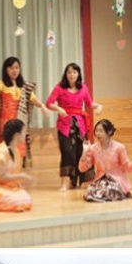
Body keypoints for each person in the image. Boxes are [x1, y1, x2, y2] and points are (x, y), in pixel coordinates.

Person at [45, 63, 103, 191]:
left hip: (80, 125)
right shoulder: (60, 88)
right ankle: (65, 182)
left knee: (82, 152)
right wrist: (59, 108)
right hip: (65, 124)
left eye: (75, 72)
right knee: (67, 152)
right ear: (66, 74)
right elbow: (49, 103)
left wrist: (99, 106)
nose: (72, 75)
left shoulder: (83, 88)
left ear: (78, 74)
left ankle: (84, 182)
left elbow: (89, 103)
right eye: (69, 72)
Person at [0, 56, 51, 163]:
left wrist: (42, 106)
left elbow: (33, 99)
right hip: (6, 122)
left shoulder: (23, 86)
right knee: (6, 151)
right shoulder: (0, 84)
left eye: (16, 68)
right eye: (11, 68)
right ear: (6, 70)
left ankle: (16, 175)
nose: (14, 70)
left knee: (19, 152)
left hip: (20, 122)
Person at [79, 119, 132, 202]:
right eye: (96, 131)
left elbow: (126, 166)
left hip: (116, 179)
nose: (98, 134)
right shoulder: (93, 148)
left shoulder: (119, 147)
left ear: (110, 132)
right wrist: (84, 154)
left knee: (107, 190)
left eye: (101, 131)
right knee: (92, 191)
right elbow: (82, 168)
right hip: (101, 180)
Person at [0, 118, 34, 212]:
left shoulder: (15, 151)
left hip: (8, 187)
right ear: (17, 135)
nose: (25, 135)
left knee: (27, 199)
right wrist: (21, 176)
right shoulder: (2, 152)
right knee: (15, 202)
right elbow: (0, 177)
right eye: (23, 132)